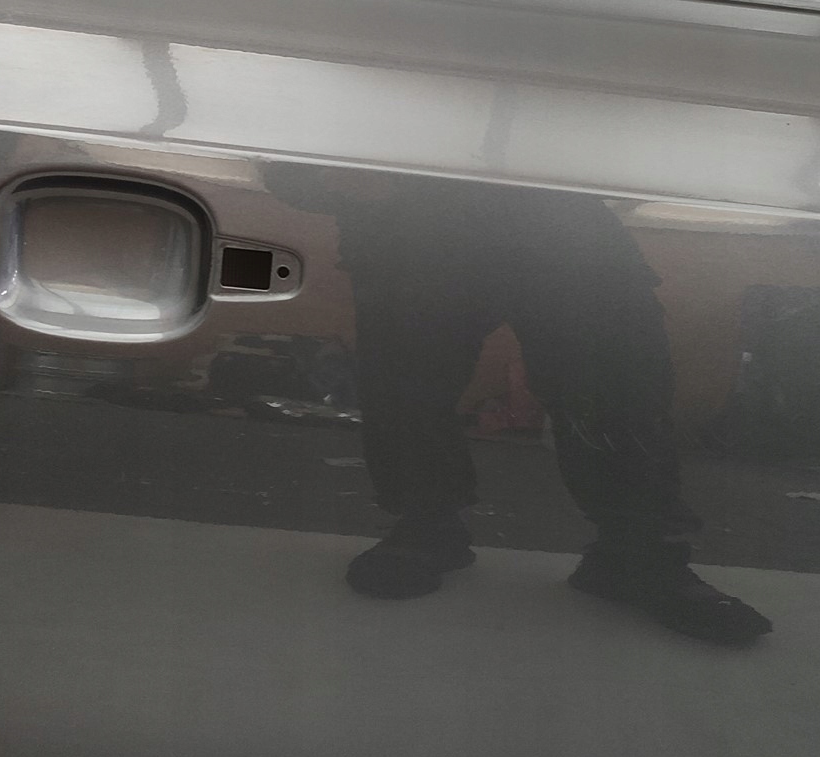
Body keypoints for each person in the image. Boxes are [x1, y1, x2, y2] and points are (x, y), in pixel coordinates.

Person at [268, 165, 772, 646]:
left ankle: (636, 553)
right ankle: (427, 525)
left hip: (555, 203)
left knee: (619, 377)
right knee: (405, 380)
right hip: (416, 202)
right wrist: (319, 179)